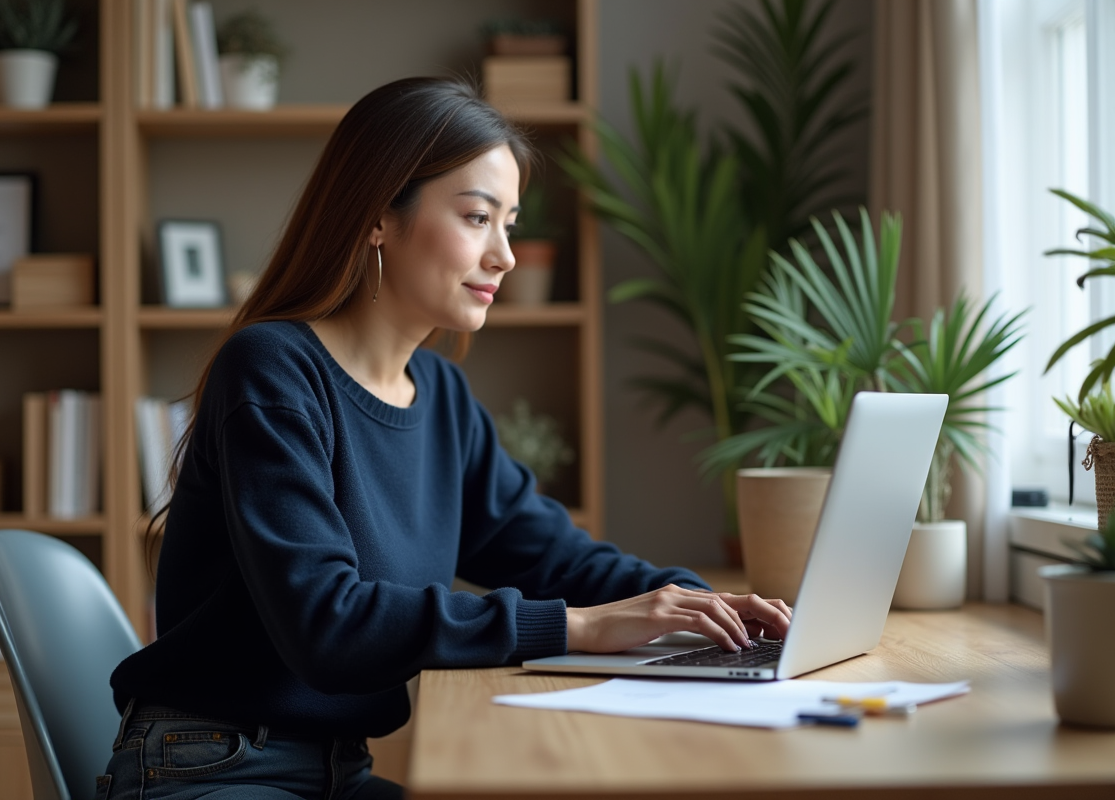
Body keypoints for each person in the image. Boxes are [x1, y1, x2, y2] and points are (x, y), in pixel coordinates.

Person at [101, 77, 792, 800]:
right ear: (377, 217)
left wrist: (697, 602)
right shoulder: (273, 369)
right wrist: (578, 629)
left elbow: (552, 555)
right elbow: (327, 624)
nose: (506, 256)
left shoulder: (443, 398)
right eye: (476, 217)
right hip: (210, 765)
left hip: (336, 770)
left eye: (509, 223)